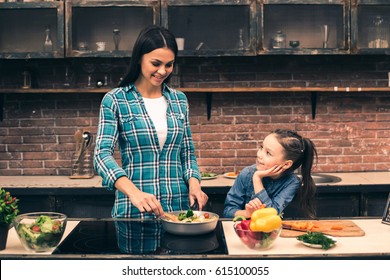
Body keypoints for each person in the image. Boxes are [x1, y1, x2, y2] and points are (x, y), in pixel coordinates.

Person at [94, 25, 208, 219]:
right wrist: (134, 193)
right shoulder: (115, 100)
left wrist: (194, 183)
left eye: (169, 64)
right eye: (156, 63)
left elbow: (187, 152)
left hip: (178, 210)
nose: (163, 71)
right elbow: (101, 156)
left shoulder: (179, 100)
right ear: (139, 58)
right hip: (134, 210)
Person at [224, 129, 317, 219]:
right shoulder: (247, 173)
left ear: (286, 164)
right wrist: (246, 213)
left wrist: (257, 178)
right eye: (261, 147)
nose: (259, 154)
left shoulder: (292, 182)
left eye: (268, 153)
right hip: (244, 231)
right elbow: (228, 211)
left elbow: (270, 214)